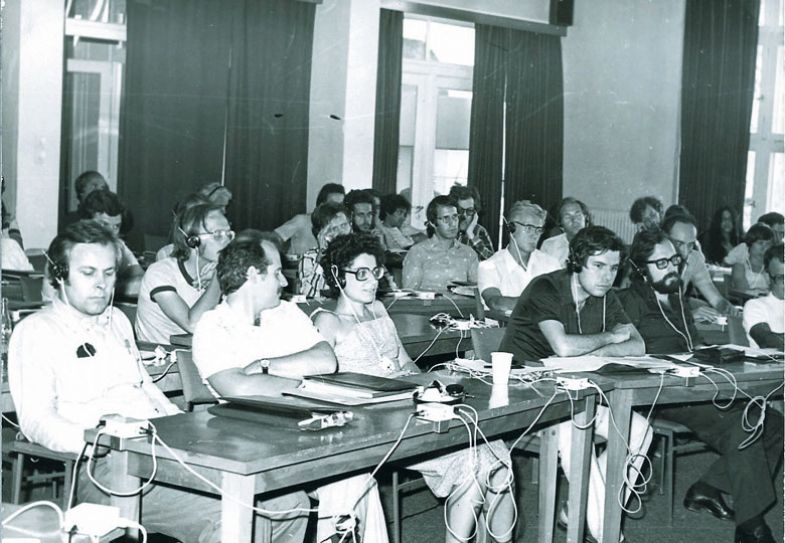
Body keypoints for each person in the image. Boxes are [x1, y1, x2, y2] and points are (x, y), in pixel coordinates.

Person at [8, 221, 306, 542]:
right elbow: (35, 420)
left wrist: (184, 426)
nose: (102, 285)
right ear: (60, 274)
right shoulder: (37, 331)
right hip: (109, 468)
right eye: (88, 273)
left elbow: (145, 388)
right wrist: (99, 439)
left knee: (291, 505)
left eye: (109, 274)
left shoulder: (118, 321)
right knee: (233, 519)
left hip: (163, 452)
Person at [313, 233, 515, 543]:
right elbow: (319, 382)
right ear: (338, 275)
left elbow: (407, 365)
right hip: (372, 426)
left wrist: (440, 380)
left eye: (376, 271)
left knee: (497, 455)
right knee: (473, 463)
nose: (371, 281)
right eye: (361, 274)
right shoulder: (328, 321)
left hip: (411, 411)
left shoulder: (378, 309)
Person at [192, 237, 389, 543]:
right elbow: (237, 387)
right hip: (246, 442)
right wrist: (301, 382)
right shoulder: (213, 326)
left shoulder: (287, 313)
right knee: (344, 478)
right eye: (276, 273)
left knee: (356, 476)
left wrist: (266, 365)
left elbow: (326, 361)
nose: (285, 281)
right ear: (253, 276)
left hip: (303, 428)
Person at [619, 228, 783, 543]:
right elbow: (630, 355)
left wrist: (718, 354)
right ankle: (753, 527)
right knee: (743, 425)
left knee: (775, 423)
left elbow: (693, 343)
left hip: (698, 385)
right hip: (661, 393)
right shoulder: (627, 301)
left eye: (674, 260)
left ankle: (707, 488)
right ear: (640, 268)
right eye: (661, 263)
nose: (672, 268)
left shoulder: (679, 301)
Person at [500, 225, 652, 542]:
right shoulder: (546, 287)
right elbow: (564, 347)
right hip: (523, 398)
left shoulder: (606, 296)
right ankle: (609, 535)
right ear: (576, 262)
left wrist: (595, 345)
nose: (607, 276)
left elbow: (638, 346)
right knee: (576, 431)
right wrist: (610, 337)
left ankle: (580, 511)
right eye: (598, 266)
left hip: (571, 396)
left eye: (613, 268)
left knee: (639, 430)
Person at [135, 203, 233, 343]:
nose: (227, 241)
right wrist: (219, 276)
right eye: (217, 234)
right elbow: (192, 325)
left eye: (228, 233)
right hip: (164, 360)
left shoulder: (219, 270)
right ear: (193, 241)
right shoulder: (160, 273)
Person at [478, 201, 560, 313]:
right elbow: (495, 302)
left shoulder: (551, 264)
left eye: (538, 229)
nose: (535, 235)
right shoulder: (489, 266)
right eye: (529, 228)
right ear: (511, 228)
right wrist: (539, 303)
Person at [662, 212, 739, 323]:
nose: (684, 252)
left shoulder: (694, 258)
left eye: (690, 245)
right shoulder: (652, 261)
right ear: (664, 238)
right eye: (678, 244)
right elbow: (651, 313)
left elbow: (715, 299)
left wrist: (728, 309)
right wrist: (690, 316)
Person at [402, 195, 479, 292]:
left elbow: (477, 292)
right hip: (428, 306)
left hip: (462, 306)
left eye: (455, 217)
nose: (452, 223)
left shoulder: (469, 253)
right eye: (446, 218)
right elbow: (409, 294)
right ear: (433, 223)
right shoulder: (418, 252)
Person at [79, 189, 144, 296]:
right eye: (104, 224)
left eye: (116, 226)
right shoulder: (71, 247)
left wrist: (112, 287)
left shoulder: (117, 245)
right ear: (85, 222)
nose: (111, 233)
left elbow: (141, 278)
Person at [275, 182, 345, 258]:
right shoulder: (302, 220)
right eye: (333, 204)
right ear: (321, 204)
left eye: (341, 205)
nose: (337, 209)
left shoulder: (342, 227)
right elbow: (274, 238)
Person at [298, 201, 351, 298]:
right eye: (333, 229)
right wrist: (321, 260)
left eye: (344, 225)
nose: (341, 232)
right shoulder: (310, 257)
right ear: (321, 234)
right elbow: (307, 293)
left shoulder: (360, 255)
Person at [743, 244, 784, 349]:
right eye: (781, 278)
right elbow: (769, 342)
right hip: (773, 365)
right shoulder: (755, 306)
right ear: (768, 277)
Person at [541, 197, 592, 268]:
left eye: (578, 215)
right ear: (560, 224)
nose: (574, 220)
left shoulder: (596, 244)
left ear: (586, 218)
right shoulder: (549, 245)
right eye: (567, 217)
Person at [725, 223, 774, 293]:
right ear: (750, 243)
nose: (764, 248)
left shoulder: (772, 266)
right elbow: (742, 290)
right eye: (760, 243)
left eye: (768, 244)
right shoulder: (740, 265)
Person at [449, 184, 494, 260]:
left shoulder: (480, 231)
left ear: (475, 212)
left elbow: (492, 261)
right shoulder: (447, 229)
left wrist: (471, 235)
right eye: (460, 210)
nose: (464, 215)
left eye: (469, 211)